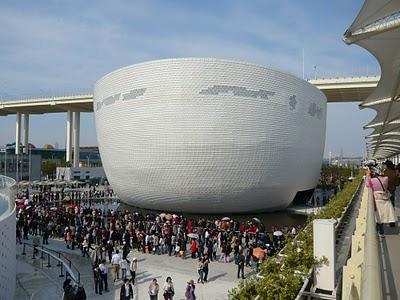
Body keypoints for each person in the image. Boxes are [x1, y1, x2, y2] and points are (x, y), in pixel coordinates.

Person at [367, 165, 396, 237]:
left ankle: (377, 231)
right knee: (381, 217)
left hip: (376, 199)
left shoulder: (372, 180)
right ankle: (381, 232)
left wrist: (368, 175)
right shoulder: (386, 178)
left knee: (377, 217)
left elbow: (367, 185)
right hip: (384, 198)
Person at [384, 160, 399, 227]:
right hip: (392, 191)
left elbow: (384, 182)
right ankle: (392, 221)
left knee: (386, 205)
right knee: (392, 205)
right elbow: (397, 183)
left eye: (385, 165)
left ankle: (387, 220)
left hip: (386, 191)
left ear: (387, 165)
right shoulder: (394, 172)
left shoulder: (386, 172)